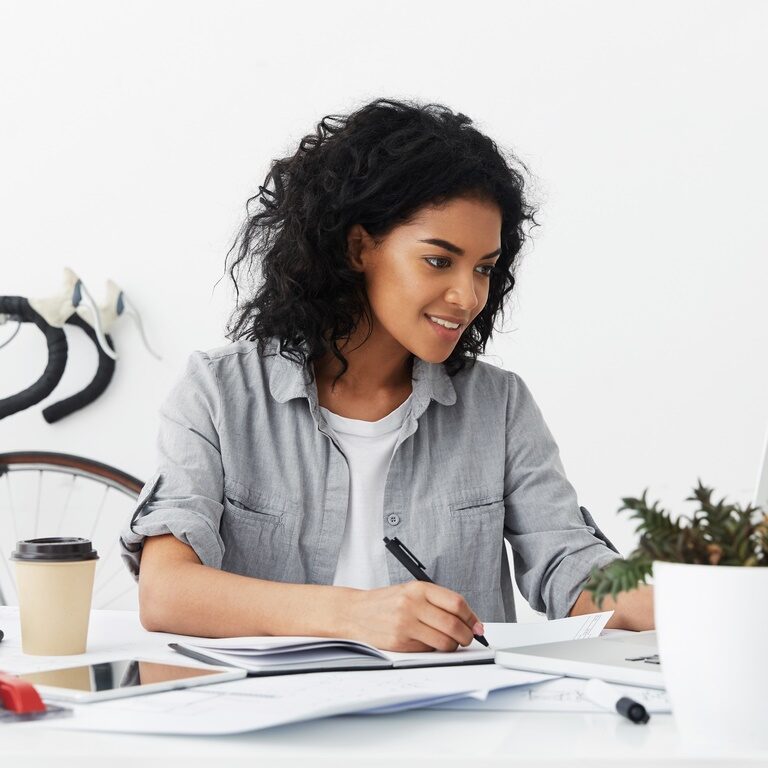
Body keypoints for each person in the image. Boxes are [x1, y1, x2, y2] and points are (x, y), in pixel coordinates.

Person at [120, 98, 654, 651]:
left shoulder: (499, 406)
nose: (467, 295)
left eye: (484, 269)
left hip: (456, 722)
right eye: (439, 261)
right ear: (358, 248)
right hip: (279, 723)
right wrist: (352, 615)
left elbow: (570, 566)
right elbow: (166, 592)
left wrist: (696, 594)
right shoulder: (220, 394)